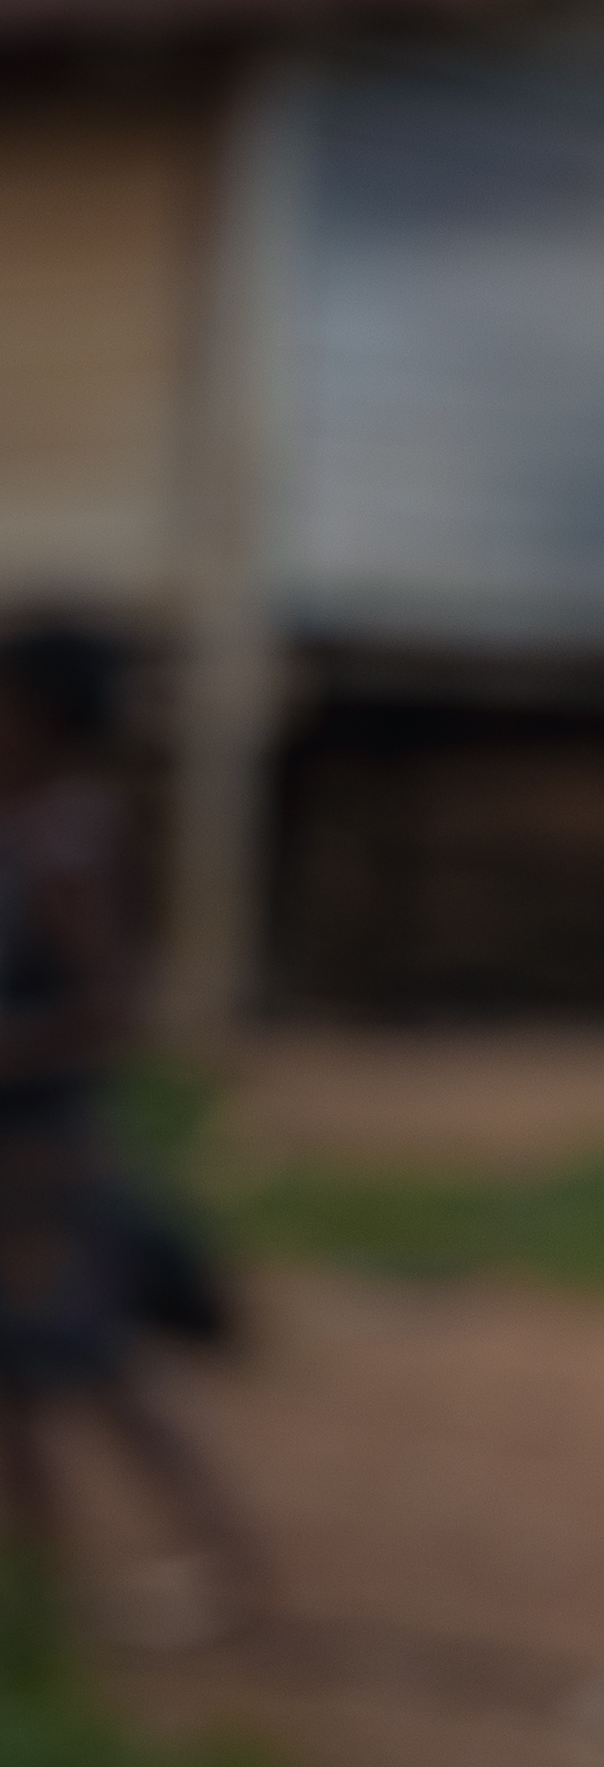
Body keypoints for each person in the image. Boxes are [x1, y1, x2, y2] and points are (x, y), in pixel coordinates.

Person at [0, 629, 260, 1636]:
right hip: (14, 1146)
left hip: (44, 1154)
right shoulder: (19, 824)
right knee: (16, 1380)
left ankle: (227, 1559)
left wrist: (14, 1049)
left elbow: (114, 1005)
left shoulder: (69, 835)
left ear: (44, 713)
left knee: (94, 1366)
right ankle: (42, 1586)